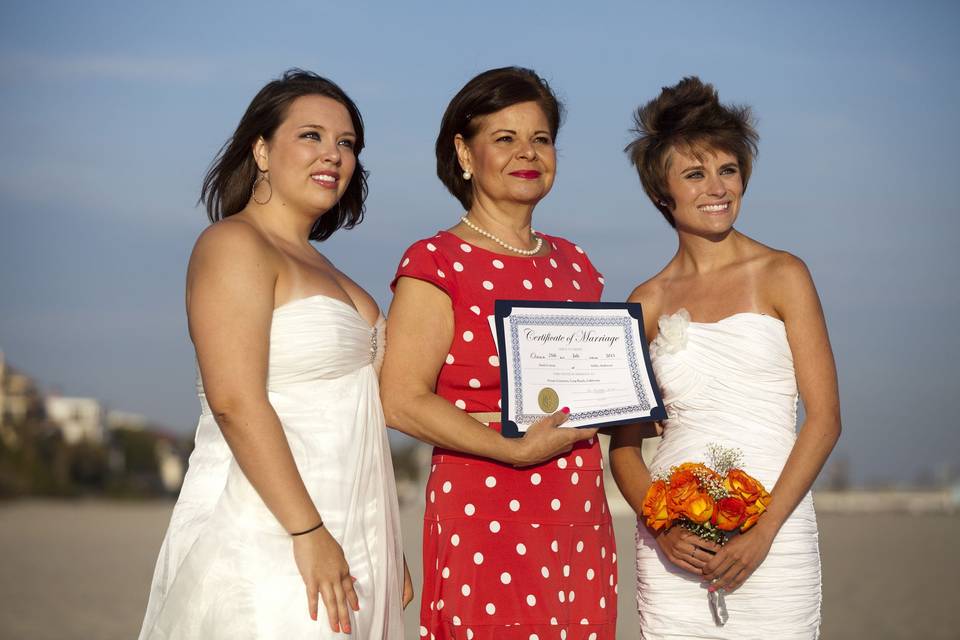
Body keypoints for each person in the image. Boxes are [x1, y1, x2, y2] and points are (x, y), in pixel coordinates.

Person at [138, 69, 410, 640]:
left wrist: (383, 540)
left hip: (348, 534)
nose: (333, 154)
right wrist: (307, 532)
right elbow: (235, 400)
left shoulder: (329, 270)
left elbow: (373, 409)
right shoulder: (233, 244)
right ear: (261, 149)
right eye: (311, 136)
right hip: (269, 526)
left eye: (347, 143)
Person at [381, 66, 617, 640]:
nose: (527, 153)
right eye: (504, 139)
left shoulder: (576, 264)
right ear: (464, 152)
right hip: (484, 502)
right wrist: (510, 449)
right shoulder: (436, 260)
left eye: (540, 138)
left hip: (577, 506)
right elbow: (401, 400)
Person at [609, 77, 841, 639]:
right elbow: (624, 448)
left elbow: (826, 420)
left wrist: (763, 533)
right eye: (694, 173)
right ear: (661, 192)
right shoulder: (644, 301)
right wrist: (661, 526)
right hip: (674, 550)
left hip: (776, 534)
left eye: (728, 170)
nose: (717, 187)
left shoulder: (784, 274)